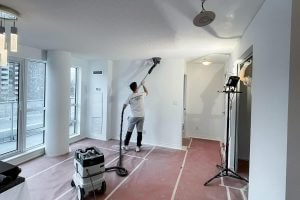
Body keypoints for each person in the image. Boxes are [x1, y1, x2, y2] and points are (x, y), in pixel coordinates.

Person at [123, 80, 148, 152]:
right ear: (136, 87)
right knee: (139, 132)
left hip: (133, 117)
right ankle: (138, 147)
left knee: (129, 131)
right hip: (141, 116)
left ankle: (126, 145)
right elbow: (147, 92)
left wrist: (123, 110)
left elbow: (124, 105)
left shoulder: (130, 97)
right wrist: (143, 85)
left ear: (131, 89)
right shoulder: (141, 94)